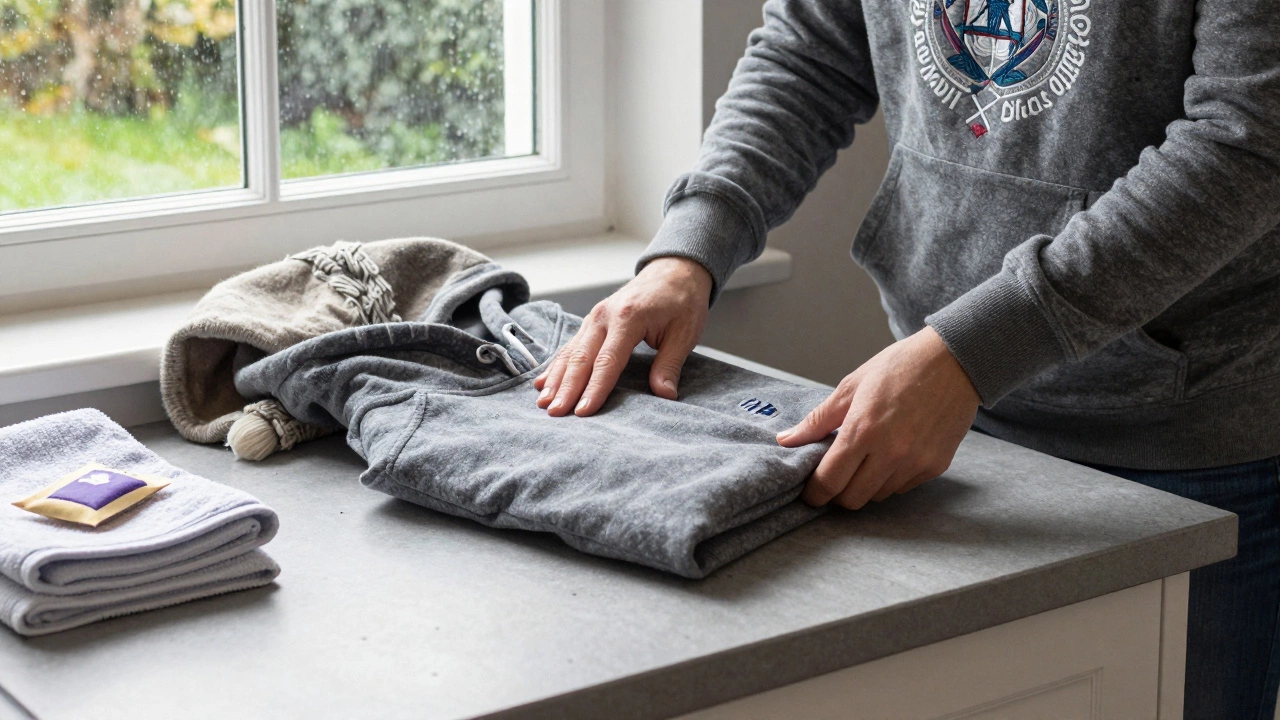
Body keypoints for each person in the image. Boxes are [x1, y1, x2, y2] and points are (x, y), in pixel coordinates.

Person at [534, 0, 1279, 717]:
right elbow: (811, 54)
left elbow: (1249, 142)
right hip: (935, 420)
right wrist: (690, 248)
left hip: (1184, 448)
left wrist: (972, 351)